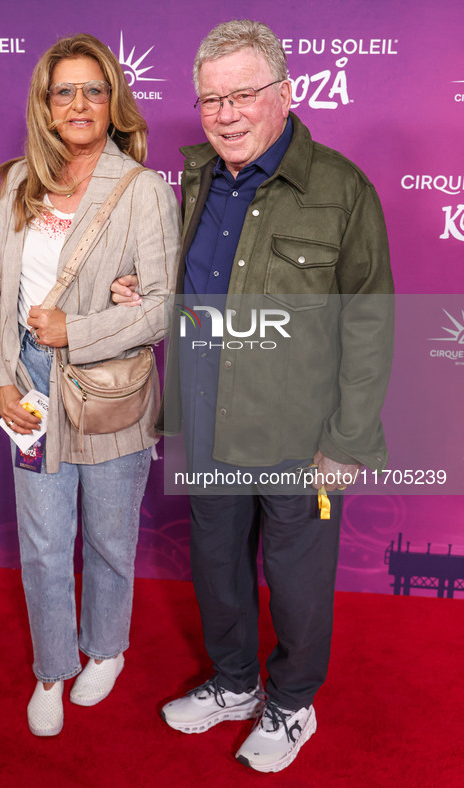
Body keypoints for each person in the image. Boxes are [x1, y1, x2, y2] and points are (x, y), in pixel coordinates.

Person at [111, 19, 393, 774]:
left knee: (297, 583)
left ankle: (290, 702)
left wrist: (347, 440)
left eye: (242, 95)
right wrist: (148, 290)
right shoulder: (198, 175)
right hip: (207, 423)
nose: (225, 114)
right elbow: (209, 286)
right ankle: (234, 684)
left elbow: (369, 323)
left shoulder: (339, 188)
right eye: (210, 100)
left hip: (300, 436)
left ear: (285, 94)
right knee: (216, 568)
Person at [0, 33, 179, 737]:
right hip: (32, 385)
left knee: (111, 539)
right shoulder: (21, 184)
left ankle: (106, 649)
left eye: (94, 89)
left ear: (112, 100)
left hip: (110, 388)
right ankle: (52, 667)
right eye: (66, 91)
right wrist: (1, 374)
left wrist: (78, 332)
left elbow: (161, 304)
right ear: (47, 105)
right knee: (41, 539)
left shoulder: (141, 190)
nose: (80, 103)